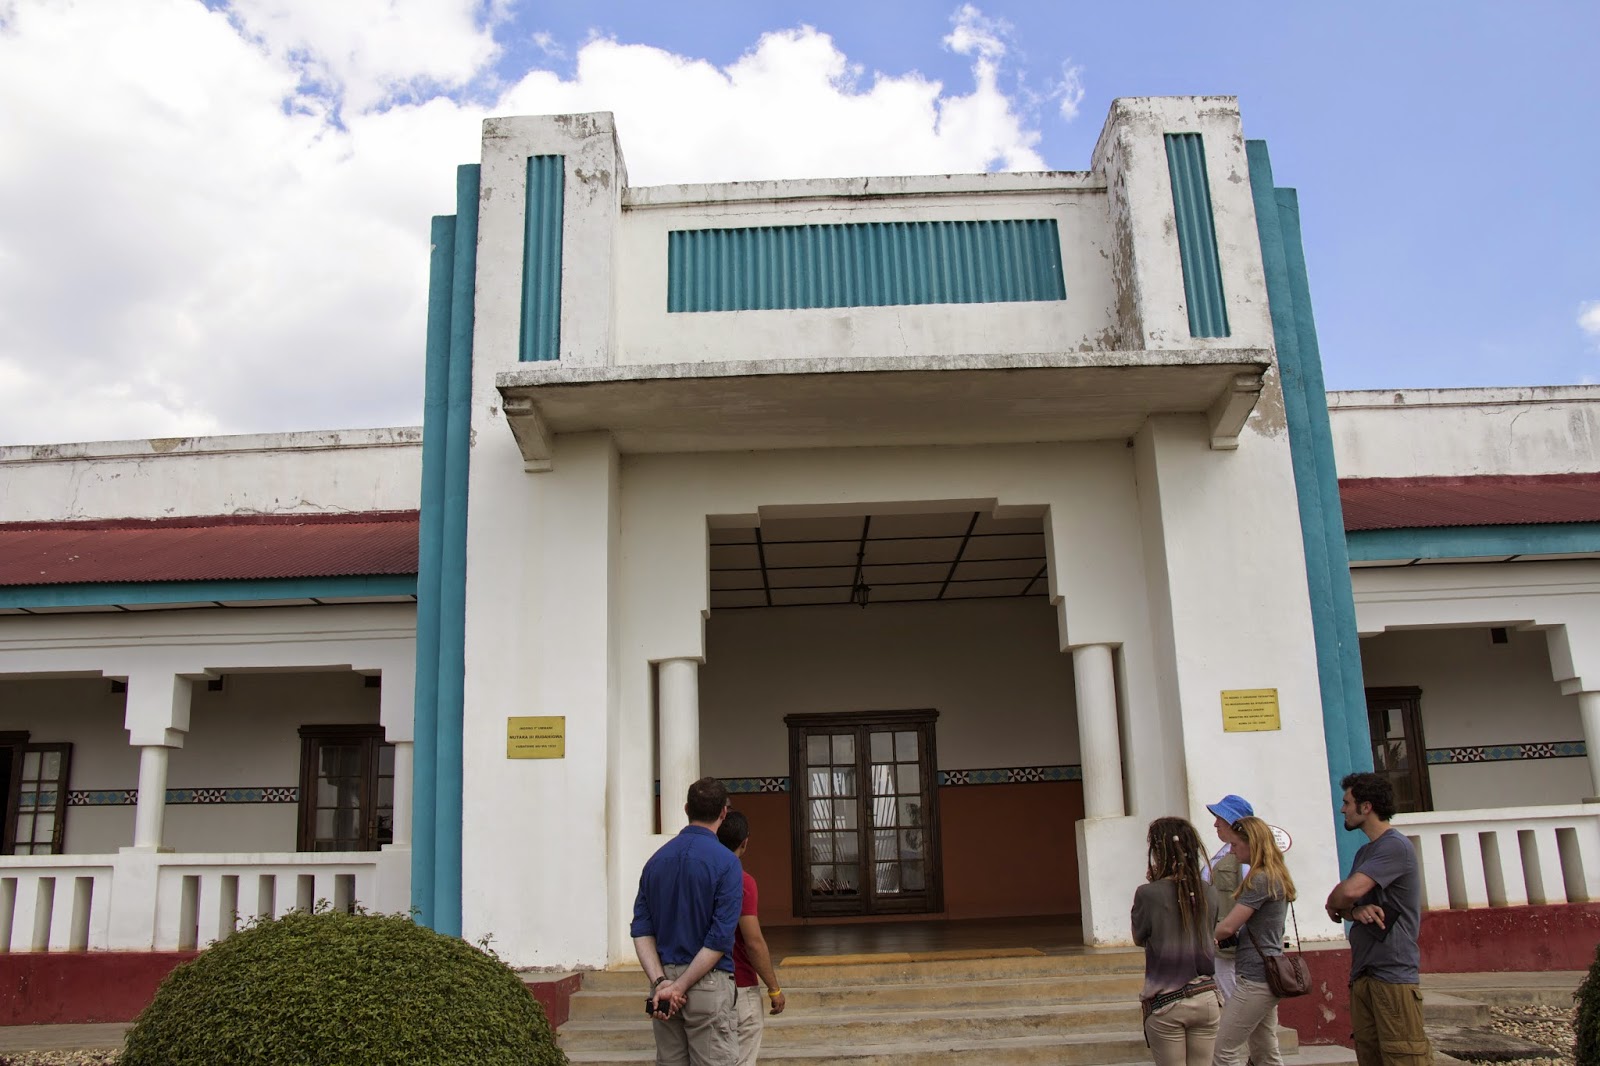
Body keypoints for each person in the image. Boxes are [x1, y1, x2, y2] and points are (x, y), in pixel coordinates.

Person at [631, 777, 744, 1066]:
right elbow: (719, 938)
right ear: (723, 813)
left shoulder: (656, 861)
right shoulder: (727, 863)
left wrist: (662, 984)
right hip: (707, 982)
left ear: (685, 809)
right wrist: (680, 986)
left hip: (664, 984)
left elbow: (641, 930)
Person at [1323, 772, 1432, 1066]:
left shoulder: (1394, 846)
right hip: (1364, 974)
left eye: (1347, 802)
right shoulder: (1365, 852)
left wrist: (1344, 901)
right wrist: (1353, 911)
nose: (1343, 809)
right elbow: (1336, 907)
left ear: (1366, 807)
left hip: (1392, 974)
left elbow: (1348, 891)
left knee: (1403, 1057)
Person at [1132, 817, 1221, 1066]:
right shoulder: (1210, 892)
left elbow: (1140, 937)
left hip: (1167, 1002)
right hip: (1206, 997)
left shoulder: (1147, 893)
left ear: (1158, 853)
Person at [1211, 816, 1296, 1066]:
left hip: (1256, 979)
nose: (1232, 850)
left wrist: (1198, 938)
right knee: (1264, 1051)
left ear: (1253, 844)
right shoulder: (1273, 875)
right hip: (1265, 975)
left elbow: (1227, 926)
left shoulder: (1260, 879)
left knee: (1224, 1051)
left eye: (1236, 845)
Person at [716, 811, 787, 1065]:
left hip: (702, 985)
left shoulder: (701, 877)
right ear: (745, 842)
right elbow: (753, 941)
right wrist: (774, 988)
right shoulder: (742, 881)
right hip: (740, 984)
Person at [1202, 795, 1254, 1001]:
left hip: (1231, 943)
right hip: (1219, 941)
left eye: (1221, 819)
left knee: (1234, 998)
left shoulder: (1244, 858)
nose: (1216, 823)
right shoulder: (1224, 852)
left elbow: (1250, 896)